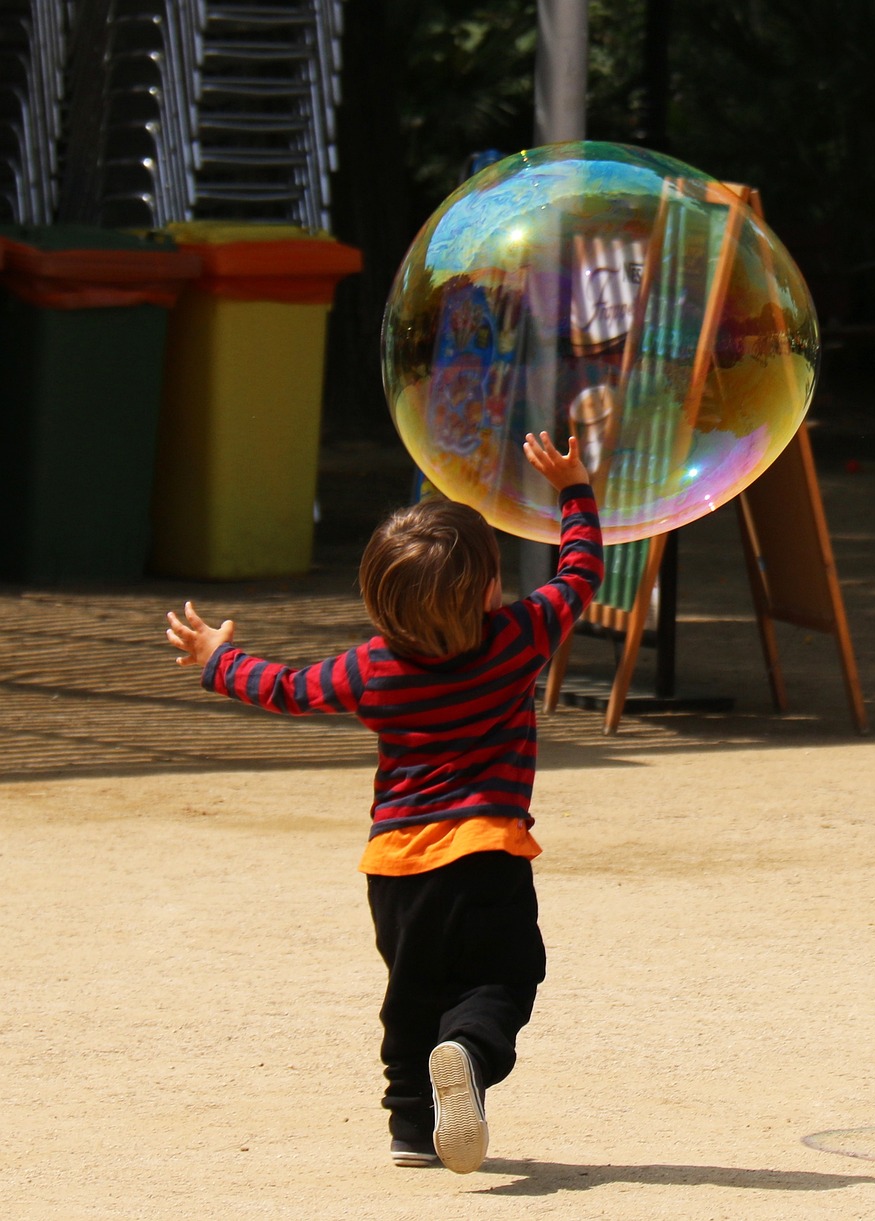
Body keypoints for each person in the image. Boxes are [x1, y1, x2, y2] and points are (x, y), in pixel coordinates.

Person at [165, 432, 603, 1175]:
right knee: (502, 975)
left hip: (395, 868)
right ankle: (467, 1052)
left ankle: (409, 1124)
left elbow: (288, 688)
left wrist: (218, 659)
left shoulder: (372, 667)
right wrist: (573, 491)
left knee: (412, 991)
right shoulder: (518, 637)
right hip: (487, 855)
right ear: (490, 589)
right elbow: (580, 572)